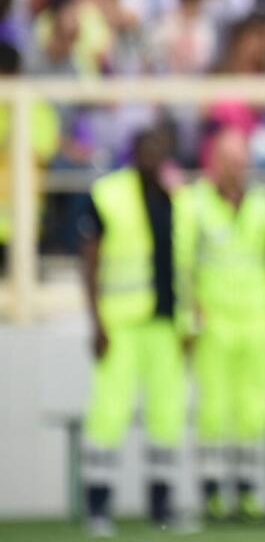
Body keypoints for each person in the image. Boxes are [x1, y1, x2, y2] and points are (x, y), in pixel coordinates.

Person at [79, 127, 187, 536]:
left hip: (164, 325)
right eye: (147, 148)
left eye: (160, 148)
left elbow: (183, 265)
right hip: (121, 324)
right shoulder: (109, 193)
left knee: (166, 418)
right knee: (109, 415)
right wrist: (97, 322)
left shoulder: (175, 197)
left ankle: (162, 508)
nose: (153, 154)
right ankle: (98, 508)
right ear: (134, 151)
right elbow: (89, 262)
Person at [176, 127, 265, 521]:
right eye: (230, 161)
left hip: (255, 322)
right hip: (214, 323)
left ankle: (248, 493)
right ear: (213, 163)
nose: (238, 168)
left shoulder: (264, 203)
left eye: (242, 161)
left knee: (253, 408)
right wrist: (189, 319)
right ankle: (213, 494)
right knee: (213, 409)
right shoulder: (194, 203)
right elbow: (184, 265)